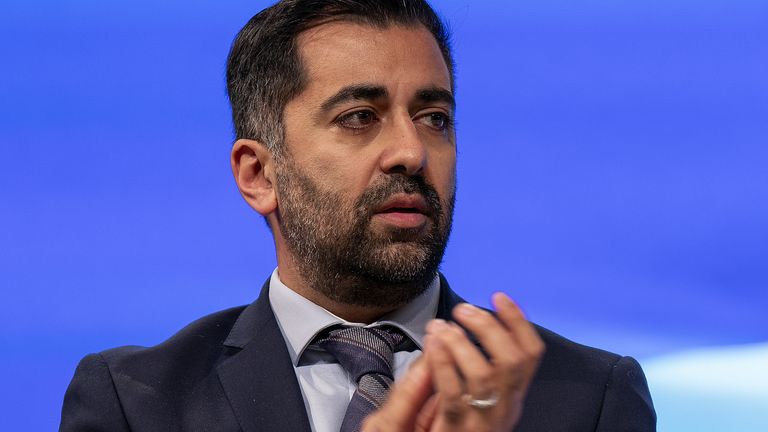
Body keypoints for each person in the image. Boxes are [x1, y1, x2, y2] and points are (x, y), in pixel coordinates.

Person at [60, 1, 656, 431]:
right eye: (359, 117)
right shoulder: (138, 402)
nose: (411, 152)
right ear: (259, 175)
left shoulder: (589, 399)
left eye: (434, 118)